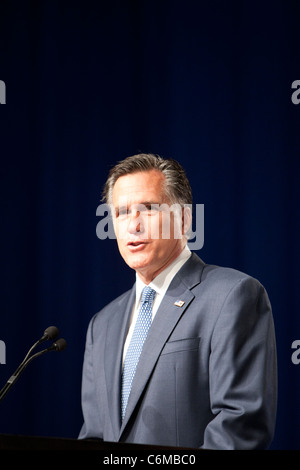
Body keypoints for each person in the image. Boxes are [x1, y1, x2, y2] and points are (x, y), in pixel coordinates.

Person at [79, 153, 277, 449]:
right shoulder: (102, 324)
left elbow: (239, 428)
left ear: (184, 218)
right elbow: (94, 437)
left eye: (148, 209)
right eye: (121, 212)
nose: (134, 225)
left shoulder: (233, 296)